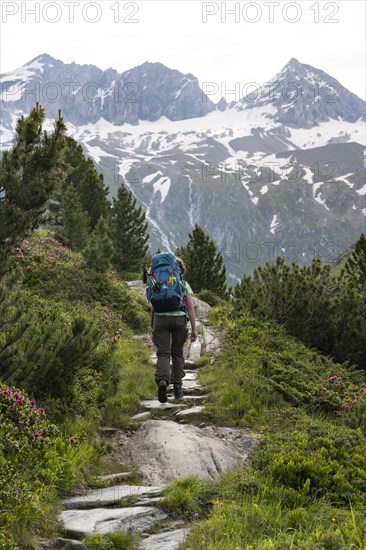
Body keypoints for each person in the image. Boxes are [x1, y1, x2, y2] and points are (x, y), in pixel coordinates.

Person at [148, 256, 197, 403]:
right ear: (179, 270)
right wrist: (194, 329)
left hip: (160, 319)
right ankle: (177, 388)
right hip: (179, 321)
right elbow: (190, 307)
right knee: (177, 353)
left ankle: (162, 382)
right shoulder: (183, 283)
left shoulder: (157, 281)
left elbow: (152, 304)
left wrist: (153, 326)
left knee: (163, 353)